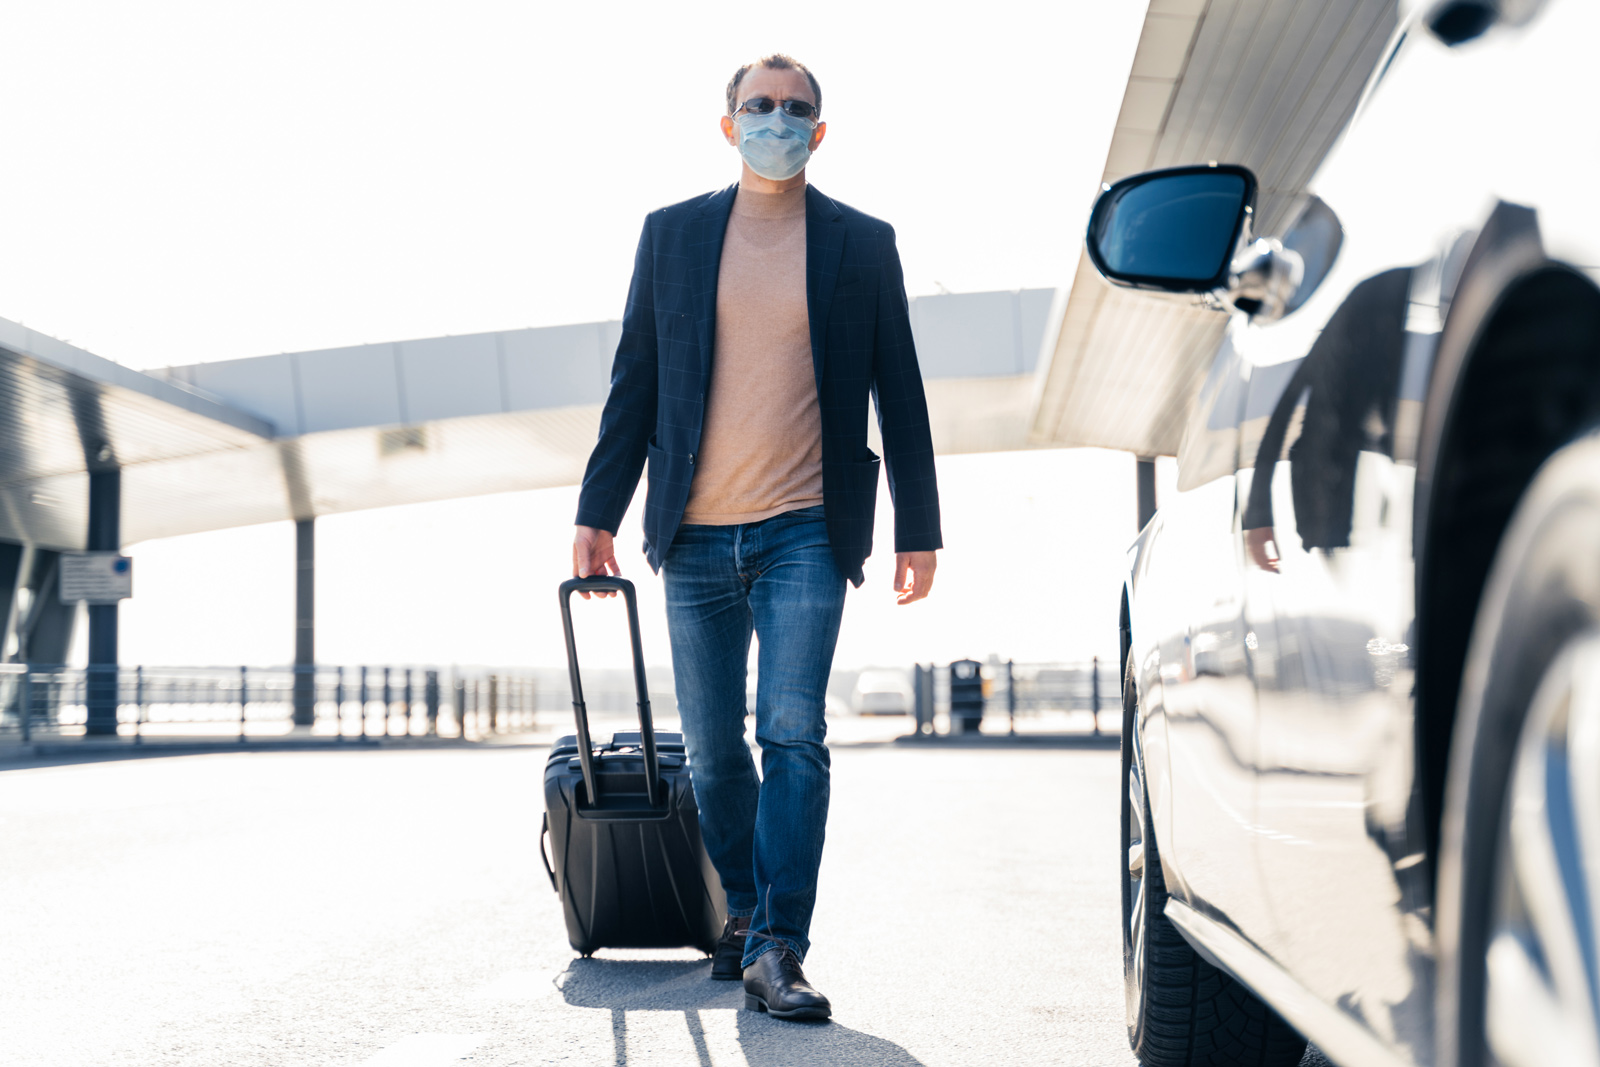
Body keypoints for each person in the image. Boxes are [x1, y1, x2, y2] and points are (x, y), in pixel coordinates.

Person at [571, 53, 942, 1021]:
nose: (777, 119)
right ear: (726, 122)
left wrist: (920, 526)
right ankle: (741, 910)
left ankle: (781, 941)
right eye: (759, 105)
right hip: (691, 533)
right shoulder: (675, 235)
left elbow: (897, 388)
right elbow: (634, 380)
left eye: (795, 109)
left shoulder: (862, 243)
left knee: (792, 730)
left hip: (807, 529)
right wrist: (595, 512)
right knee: (710, 749)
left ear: (819, 131)